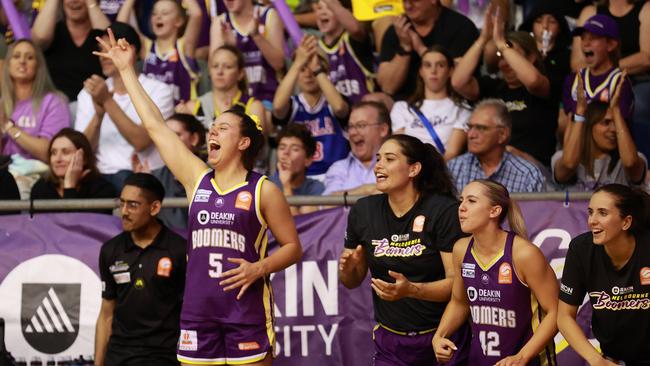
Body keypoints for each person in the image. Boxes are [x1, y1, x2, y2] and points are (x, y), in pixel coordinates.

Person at [95, 28, 302, 365]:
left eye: (222, 127)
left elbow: (293, 247)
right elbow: (156, 127)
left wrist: (258, 268)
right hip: (197, 314)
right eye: (212, 126)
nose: (212, 131)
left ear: (244, 142)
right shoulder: (197, 179)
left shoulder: (264, 189)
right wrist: (126, 70)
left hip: (245, 312)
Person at [339, 134, 469, 365]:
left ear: (413, 169)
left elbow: (457, 284)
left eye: (389, 159)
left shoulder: (443, 211)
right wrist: (348, 270)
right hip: (391, 342)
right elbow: (350, 281)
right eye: (378, 159)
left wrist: (412, 290)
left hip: (443, 338)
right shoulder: (364, 210)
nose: (378, 165)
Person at [432, 179, 558, 366]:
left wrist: (522, 356)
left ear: (494, 211)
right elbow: (459, 302)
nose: (461, 207)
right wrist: (439, 336)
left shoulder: (523, 253)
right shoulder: (461, 249)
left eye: (471, 201)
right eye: (461, 200)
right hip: (480, 359)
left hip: (529, 361)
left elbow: (557, 312)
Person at [95, 173, 186, 366]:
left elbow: (192, 313)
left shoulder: (179, 250)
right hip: (119, 355)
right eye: (122, 203)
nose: (124, 211)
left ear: (154, 208)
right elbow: (106, 315)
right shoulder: (110, 250)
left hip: (164, 356)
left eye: (133, 205)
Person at [452, 4, 556, 167]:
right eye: (501, 56)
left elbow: (533, 80)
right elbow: (458, 82)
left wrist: (501, 43)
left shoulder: (541, 87)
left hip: (534, 170)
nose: (504, 62)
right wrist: (483, 38)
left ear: (531, 58)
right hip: (490, 166)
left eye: (510, 54)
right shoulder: (493, 88)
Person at [558, 184, 650, 365]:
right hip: (612, 359)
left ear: (626, 222)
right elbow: (564, 316)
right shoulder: (580, 250)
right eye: (591, 212)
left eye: (602, 213)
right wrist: (596, 360)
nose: (592, 220)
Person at [76, 22, 174, 192]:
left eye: (110, 48)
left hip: (143, 177)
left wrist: (107, 101)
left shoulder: (159, 91)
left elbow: (141, 142)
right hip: (99, 178)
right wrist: (98, 117)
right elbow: (81, 153)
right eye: (101, 49)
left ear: (131, 51)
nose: (103, 55)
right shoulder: (88, 93)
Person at [553, 73, 647, 191]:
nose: (613, 129)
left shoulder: (631, 158)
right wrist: (581, 112)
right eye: (606, 122)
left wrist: (617, 111)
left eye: (616, 123)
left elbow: (630, 163)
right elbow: (569, 164)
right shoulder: (561, 157)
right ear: (589, 127)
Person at [273, 35, 349, 177]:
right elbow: (277, 107)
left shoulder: (334, 101)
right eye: (303, 69)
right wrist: (297, 63)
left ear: (324, 71)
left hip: (333, 177)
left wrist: (318, 70)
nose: (308, 74)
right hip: (297, 177)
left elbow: (340, 108)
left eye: (312, 70)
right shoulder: (293, 105)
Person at [377, 0, 477, 100]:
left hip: (449, 101)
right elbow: (388, 87)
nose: (408, 6)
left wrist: (421, 49)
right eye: (404, 1)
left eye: (414, 1)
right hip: (403, 104)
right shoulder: (397, 30)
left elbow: (459, 80)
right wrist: (405, 47)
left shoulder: (461, 27)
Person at [447, 99, 545, 193]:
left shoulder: (528, 176)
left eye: (481, 128)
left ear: (502, 134)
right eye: (469, 127)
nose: (471, 135)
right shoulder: (453, 168)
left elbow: (538, 211)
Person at [390, 46, 470, 161]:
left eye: (440, 65)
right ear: (421, 71)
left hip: (441, 173)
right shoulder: (401, 108)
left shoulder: (462, 109)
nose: (433, 71)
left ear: (450, 71)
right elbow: (399, 150)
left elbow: (451, 154)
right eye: (427, 65)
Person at [117, 0, 202, 104]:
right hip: (152, 115)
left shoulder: (184, 47)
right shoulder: (147, 47)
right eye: (154, 13)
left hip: (180, 117)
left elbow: (196, 14)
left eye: (165, 13)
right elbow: (120, 26)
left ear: (179, 20)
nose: (158, 17)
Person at [1, 39, 70, 163]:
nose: (22, 61)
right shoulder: (2, 103)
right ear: (8, 64)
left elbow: (49, 153)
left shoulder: (54, 102)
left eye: (29, 57)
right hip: (5, 172)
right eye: (16, 56)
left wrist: (9, 128)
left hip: (39, 175)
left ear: (38, 66)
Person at [134, 113, 206, 229]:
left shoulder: (211, 174)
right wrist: (144, 188)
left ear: (194, 139)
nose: (168, 141)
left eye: (176, 135)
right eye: (165, 136)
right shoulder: (154, 177)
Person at [31, 0, 109, 102]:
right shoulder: (51, 32)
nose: (74, 1)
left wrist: (91, 3)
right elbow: (39, 38)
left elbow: (110, 45)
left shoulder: (99, 34)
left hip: (95, 106)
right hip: (55, 108)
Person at [176, 45, 267, 133]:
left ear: (240, 73)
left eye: (227, 67)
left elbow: (256, 146)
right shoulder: (192, 107)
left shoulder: (253, 106)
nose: (219, 72)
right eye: (215, 66)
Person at [211, 0, 285, 108]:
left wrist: (256, 36)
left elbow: (279, 64)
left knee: (259, 113)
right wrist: (232, 47)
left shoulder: (269, 15)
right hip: (235, 99)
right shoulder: (220, 22)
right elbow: (213, 69)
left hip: (267, 96)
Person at [562, 14, 634, 122]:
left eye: (593, 38)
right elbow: (570, 122)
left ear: (611, 45)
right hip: (579, 138)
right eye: (583, 38)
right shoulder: (573, 80)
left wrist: (581, 118)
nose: (586, 43)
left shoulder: (619, 82)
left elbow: (615, 125)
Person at [30, 128, 116, 214]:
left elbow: (74, 224)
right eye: (54, 153)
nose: (58, 159)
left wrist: (69, 187)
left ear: (84, 158)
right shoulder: (41, 188)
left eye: (66, 152)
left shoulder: (102, 190)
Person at [323, 100, 390, 195]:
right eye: (350, 127)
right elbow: (326, 204)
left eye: (361, 125)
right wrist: (366, 190)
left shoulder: (399, 165)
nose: (353, 133)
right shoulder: (339, 168)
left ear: (383, 130)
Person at [316, 0, 375, 105]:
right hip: (332, 115)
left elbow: (356, 29)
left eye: (329, 8)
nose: (322, 13)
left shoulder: (354, 38)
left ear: (346, 12)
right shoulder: (315, 47)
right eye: (319, 8)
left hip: (362, 111)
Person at [271, 123, 324, 216]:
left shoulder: (316, 188)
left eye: (294, 149)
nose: (286, 153)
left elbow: (297, 227)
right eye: (282, 147)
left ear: (308, 160)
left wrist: (286, 185)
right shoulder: (266, 185)